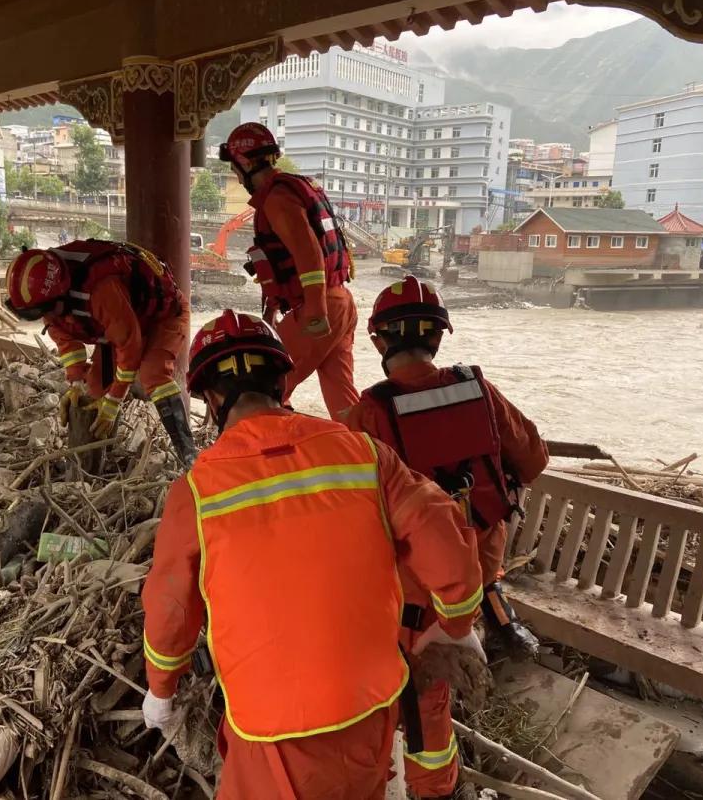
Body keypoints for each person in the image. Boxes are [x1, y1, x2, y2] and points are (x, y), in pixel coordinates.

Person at [141, 310, 486, 800]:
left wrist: (161, 689)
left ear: (212, 400)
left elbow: (170, 607)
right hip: (370, 706)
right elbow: (445, 538)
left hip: (272, 731)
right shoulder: (363, 453)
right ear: (282, 382)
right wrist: (456, 622)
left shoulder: (196, 491)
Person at [342, 276, 549, 798]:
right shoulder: (479, 390)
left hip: (409, 591)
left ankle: (409, 783)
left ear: (377, 341)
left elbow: (351, 512)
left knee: (408, 696)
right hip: (476, 571)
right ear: (438, 338)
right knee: (430, 695)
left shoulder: (369, 413)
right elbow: (534, 459)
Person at [4, 239, 196, 467]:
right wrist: (75, 383)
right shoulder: (49, 299)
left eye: (46, 310)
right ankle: (94, 464)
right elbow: (66, 339)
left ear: (62, 292)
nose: (47, 317)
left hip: (162, 316)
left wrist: (114, 399)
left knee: (153, 375)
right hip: (118, 325)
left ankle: (187, 454)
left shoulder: (101, 291)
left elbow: (129, 346)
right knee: (93, 391)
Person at [219, 123, 359, 421]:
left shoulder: (277, 199)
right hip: (341, 302)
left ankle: (276, 455)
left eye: (234, 169)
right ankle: (367, 452)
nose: (235, 175)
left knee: (265, 386)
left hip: (319, 306)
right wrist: (271, 313)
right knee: (342, 395)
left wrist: (315, 310)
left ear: (243, 164)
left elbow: (308, 254)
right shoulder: (295, 188)